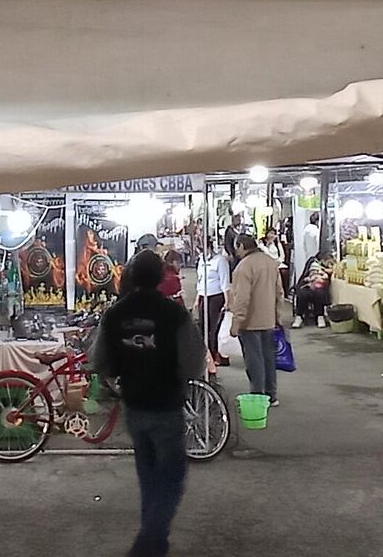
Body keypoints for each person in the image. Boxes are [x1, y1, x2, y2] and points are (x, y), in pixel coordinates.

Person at [92, 251, 205, 557]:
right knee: (172, 477)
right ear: (160, 277)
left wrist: (119, 381)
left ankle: (155, 540)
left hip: (134, 405)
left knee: (148, 475)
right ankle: (149, 540)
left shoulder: (115, 314)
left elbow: (99, 360)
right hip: (166, 404)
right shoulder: (174, 314)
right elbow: (194, 363)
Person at [229, 235, 282, 405]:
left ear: (242, 246)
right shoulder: (271, 262)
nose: (236, 251)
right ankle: (271, 395)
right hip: (269, 319)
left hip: (249, 322)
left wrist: (236, 322)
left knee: (254, 361)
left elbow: (241, 298)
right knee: (268, 358)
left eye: (236, 247)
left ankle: (258, 395)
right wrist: (277, 315)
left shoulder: (243, 267)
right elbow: (279, 292)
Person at [196, 232, 231, 368]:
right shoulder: (201, 260)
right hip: (203, 296)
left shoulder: (220, 260)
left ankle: (217, 354)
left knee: (215, 328)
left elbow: (224, 282)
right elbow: (200, 280)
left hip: (216, 296)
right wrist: (197, 299)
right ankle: (206, 354)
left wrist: (227, 301)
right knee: (202, 326)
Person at [295, 246, 334, 327]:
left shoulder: (328, 268)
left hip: (321, 286)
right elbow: (306, 276)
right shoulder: (313, 264)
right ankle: (299, 316)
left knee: (319, 293)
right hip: (308, 283)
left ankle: (320, 316)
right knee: (303, 294)